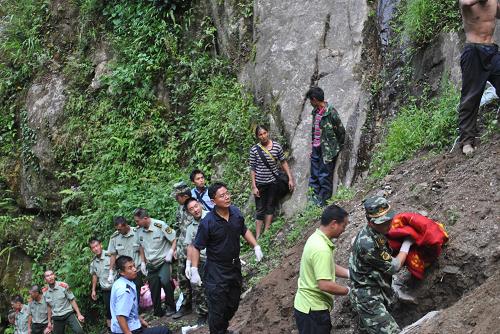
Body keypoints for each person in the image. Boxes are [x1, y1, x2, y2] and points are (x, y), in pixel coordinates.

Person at [191, 182, 264, 334]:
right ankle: (219, 331)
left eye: (227, 193)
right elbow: (196, 246)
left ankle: (222, 329)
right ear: (213, 201)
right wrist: (194, 269)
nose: (227, 197)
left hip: (234, 266)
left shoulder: (236, 213)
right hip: (216, 271)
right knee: (217, 307)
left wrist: (256, 246)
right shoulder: (208, 222)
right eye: (222, 195)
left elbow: (243, 230)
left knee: (233, 303)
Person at [349, 196, 414, 334]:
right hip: (369, 299)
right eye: (382, 222)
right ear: (370, 222)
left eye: (389, 219)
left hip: (376, 291)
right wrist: (406, 245)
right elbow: (394, 267)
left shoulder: (376, 233)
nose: (388, 225)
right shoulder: (368, 244)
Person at [293, 205, 350, 334]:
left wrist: (350, 274)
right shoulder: (321, 249)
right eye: (344, 226)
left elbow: (325, 266)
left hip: (306, 307)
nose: (344, 230)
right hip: (313, 311)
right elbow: (325, 285)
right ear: (334, 224)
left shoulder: (316, 238)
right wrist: (349, 291)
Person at [458, 0, 500, 155]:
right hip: (473, 51)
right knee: (471, 97)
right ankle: (466, 142)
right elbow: (466, 3)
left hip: (492, 51)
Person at [249, 125, 295, 239]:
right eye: (260, 134)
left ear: (268, 133)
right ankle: (258, 237)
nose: (263, 136)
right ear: (257, 136)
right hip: (260, 183)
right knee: (260, 209)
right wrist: (254, 186)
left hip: (273, 182)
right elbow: (252, 169)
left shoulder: (276, 146)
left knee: (270, 206)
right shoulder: (254, 150)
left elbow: (283, 162)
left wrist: (290, 178)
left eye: (264, 133)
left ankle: (267, 232)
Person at [305, 86, 346, 207]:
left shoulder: (331, 111)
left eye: (311, 101)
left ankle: (323, 205)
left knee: (324, 177)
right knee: (314, 177)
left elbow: (341, 131)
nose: (310, 103)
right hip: (316, 149)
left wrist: (335, 147)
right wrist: (313, 147)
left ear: (314, 99)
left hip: (327, 151)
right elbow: (315, 131)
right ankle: (313, 205)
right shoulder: (315, 112)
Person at [110, 255, 171, 334]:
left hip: (124, 327)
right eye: (130, 268)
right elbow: (120, 316)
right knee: (164, 331)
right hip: (129, 330)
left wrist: (140, 320)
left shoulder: (119, 282)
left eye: (134, 266)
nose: (134, 269)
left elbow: (129, 309)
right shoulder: (124, 290)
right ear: (121, 272)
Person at [134, 208, 177, 317]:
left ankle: (171, 307)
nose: (136, 223)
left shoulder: (160, 225)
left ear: (145, 218)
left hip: (163, 260)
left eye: (137, 221)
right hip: (151, 263)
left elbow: (174, 239)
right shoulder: (139, 231)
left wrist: (171, 252)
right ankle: (158, 311)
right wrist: (143, 262)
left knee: (165, 281)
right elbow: (141, 247)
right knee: (154, 286)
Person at [184, 197, 209, 326]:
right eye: (191, 209)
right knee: (198, 287)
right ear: (189, 212)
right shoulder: (190, 228)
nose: (195, 210)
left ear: (200, 205)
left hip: (216, 257)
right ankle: (203, 314)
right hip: (200, 259)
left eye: (196, 206)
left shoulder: (211, 217)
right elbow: (190, 246)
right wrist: (188, 265)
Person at [108, 216, 144, 308]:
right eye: (117, 229)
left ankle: (136, 313)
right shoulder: (115, 237)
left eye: (120, 229)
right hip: (123, 272)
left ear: (126, 225)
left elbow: (142, 249)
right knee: (125, 293)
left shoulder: (137, 233)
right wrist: (111, 272)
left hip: (136, 270)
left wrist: (144, 263)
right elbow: (113, 255)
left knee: (136, 291)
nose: (119, 231)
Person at [171, 181, 195, 320]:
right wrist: (174, 249)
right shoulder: (180, 209)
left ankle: (203, 307)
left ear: (185, 196)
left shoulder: (195, 208)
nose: (176, 199)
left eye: (177, 196)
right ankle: (186, 306)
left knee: (198, 280)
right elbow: (178, 229)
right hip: (182, 250)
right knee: (183, 280)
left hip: (195, 251)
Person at [42, 270, 84, 334]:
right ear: (45, 279)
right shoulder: (45, 291)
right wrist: (49, 322)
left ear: (54, 276)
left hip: (68, 313)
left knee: (79, 331)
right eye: (47, 276)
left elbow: (72, 300)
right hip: (56, 317)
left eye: (51, 274)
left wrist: (79, 314)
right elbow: (48, 306)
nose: (50, 277)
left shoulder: (63, 286)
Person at [89, 237, 113, 329]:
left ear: (101, 245)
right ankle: (112, 329)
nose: (96, 249)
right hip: (105, 289)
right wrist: (93, 290)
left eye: (97, 246)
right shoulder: (93, 262)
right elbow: (94, 275)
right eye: (93, 247)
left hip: (115, 287)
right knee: (109, 310)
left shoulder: (110, 255)